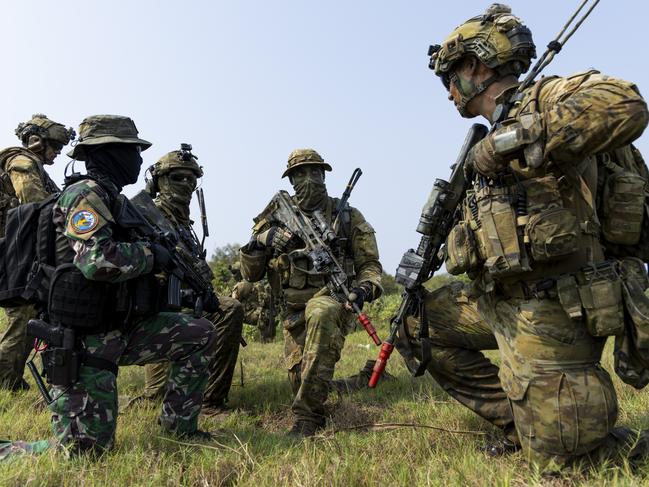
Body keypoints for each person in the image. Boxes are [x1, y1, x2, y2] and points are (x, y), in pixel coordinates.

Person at [422, 3, 649, 469]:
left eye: (451, 78)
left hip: (555, 308)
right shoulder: (480, 145)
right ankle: (517, 422)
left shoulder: (545, 98)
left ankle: (578, 437)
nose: (448, 94)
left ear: (476, 66)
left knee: (562, 464)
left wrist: (506, 143)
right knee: (415, 323)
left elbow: (626, 104)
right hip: (498, 303)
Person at [0, 115, 216, 459]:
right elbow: (97, 261)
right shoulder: (83, 196)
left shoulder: (117, 201)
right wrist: (151, 254)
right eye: (133, 152)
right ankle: (8, 451)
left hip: (119, 327)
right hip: (84, 341)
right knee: (83, 453)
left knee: (198, 332)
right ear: (110, 154)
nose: (139, 160)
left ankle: (180, 428)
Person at [239, 148, 382, 437]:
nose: (309, 179)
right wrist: (262, 241)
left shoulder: (347, 217)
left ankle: (308, 418)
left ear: (324, 175)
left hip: (334, 304)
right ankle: (363, 377)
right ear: (290, 180)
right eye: (300, 174)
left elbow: (370, 265)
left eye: (315, 172)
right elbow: (250, 274)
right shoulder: (276, 217)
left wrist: (364, 288)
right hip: (293, 314)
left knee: (322, 311)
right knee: (306, 381)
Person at [140, 146, 244, 412]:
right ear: (159, 181)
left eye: (191, 179)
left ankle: (210, 401)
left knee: (228, 309)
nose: (186, 184)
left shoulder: (183, 221)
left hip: (182, 300)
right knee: (155, 399)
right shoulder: (147, 215)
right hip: (155, 304)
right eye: (177, 178)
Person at [0, 114, 74, 391]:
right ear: (36, 141)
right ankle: (6, 384)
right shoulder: (21, 161)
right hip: (14, 256)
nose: (56, 154)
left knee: (28, 315)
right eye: (54, 146)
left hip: (17, 253)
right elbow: (31, 197)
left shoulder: (34, 165)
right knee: (22, 317)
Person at [230, 262, 277, 343]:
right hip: (265, 314)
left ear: (240, 272)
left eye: (234, 272)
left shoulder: (241, 285)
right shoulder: (258, 281)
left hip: (252, 315)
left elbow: (232, 303)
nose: (233, 275)